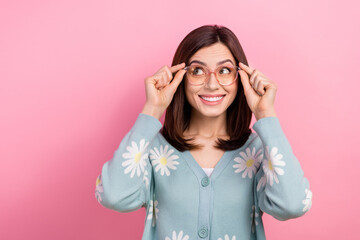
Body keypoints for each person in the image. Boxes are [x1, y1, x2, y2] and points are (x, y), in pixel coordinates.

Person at [95, 24, 312, 240]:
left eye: (224, 70)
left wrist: (266, 113)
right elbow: (113, 196)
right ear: (180, 77)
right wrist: (152, 109)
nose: (211, 84)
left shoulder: (257, 151)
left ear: (241, 78)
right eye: (197, 71)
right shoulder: (153, 149)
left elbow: (293, 204)